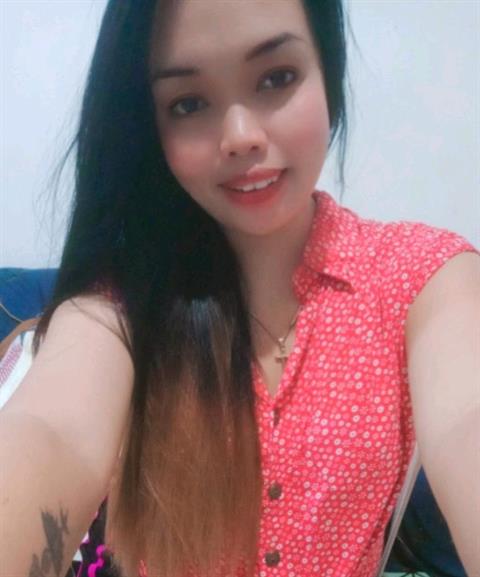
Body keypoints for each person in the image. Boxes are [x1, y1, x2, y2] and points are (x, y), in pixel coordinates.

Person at [0, 1, 479, 576]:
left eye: (276, 77)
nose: (241, 137)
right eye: (188, 103)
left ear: (327, 72)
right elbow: (55, 433)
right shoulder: (119, 306)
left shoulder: (422, 276)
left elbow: (467, 420)